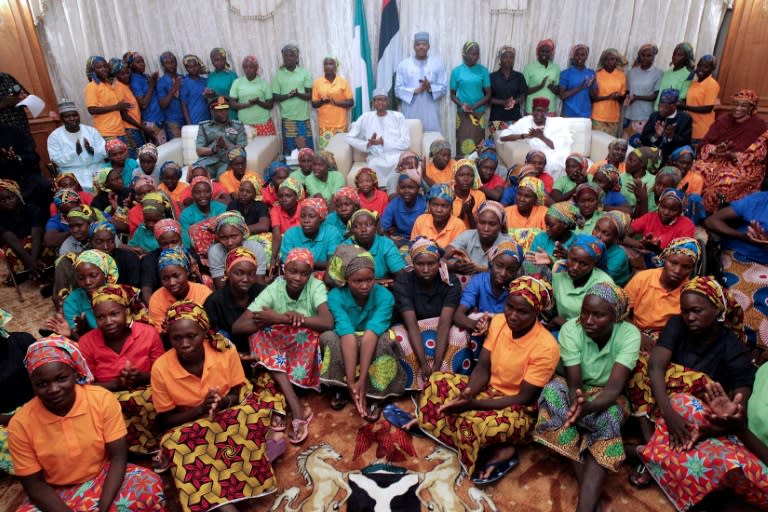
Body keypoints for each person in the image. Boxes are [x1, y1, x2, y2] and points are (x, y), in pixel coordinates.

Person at [417, 276, 559, 484]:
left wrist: (473, 404)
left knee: (476, 423)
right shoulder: (500, 322)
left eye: (523, 312)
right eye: (510, 307)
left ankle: (502, 449)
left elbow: (524, 397)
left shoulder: (546, 347)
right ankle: (444, 426)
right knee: (437, 381)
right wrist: (468, 393)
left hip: (518, 408)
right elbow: (483, 367)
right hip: (488, 390)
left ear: (537, 313)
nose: (513, 315)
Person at [151, 301, 284, 512]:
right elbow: (165, 419)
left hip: (226, 412)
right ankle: (223, 503)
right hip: (190, 422)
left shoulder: (224, 349)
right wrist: (199, 410)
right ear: (168, 337)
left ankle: (233, 489)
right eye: (177, 338)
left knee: (249, 415)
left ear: (204, 332)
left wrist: (222, 403)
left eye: (191, 336)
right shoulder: (161, 368)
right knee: (176, 443)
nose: (184, 343)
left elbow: (235, 392)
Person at [7, 336, 166, 511]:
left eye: (61, 379)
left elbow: (118, 457)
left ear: (75, 373)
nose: (53, 389)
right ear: (32, 384)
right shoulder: (20, 424)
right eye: (42, 384)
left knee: (148, 487)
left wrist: (103, 507)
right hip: (55, 492)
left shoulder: (101, 399)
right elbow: (35, 485)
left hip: (104, 477)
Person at [535, 283, 640, 512]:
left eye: (599, 315)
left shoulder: (629, 334)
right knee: (552, 390)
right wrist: (578, 405)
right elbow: (574, 384)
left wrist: (586, 408)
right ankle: (590, 498)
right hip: (577, 390)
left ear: (616, 316)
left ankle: (585, 505)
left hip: (607, 395)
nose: (589, 320)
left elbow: (613, 390)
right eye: (585, 312)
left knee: (610, 416)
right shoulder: (571, 330)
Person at [626, 276, 754, 464]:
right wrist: (669, 413)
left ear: (716, 309)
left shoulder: (732, 346)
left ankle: (651, 454)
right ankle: (650, 442)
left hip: (696, 409)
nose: (690, 317)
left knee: (702, 383)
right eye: (685, 312)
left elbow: (739, 405)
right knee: (640, 361)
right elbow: (655, 366)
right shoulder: (677, 324)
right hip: (661, 397)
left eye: (697, 311)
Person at [235, 247, 333, 443]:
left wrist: (282, 319)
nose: (297, 278)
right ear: (283, 270)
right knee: (257, 335)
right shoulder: (275, 288)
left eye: (304, 273)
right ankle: (295, 406)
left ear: (310, 274)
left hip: (302, 351)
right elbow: (238, 326)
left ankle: (285, 405)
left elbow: (327, 323)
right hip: (279, 350)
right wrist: (276, 320)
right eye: (292, 271)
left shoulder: (315, 286)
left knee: (313, 334)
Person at [638, 376, 768, 509]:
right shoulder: (765, 369)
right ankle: (654, 457)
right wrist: (721, 424)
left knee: (723, 461)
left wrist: (738, 428)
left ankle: (644, 455)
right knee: (683, 401)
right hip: (744, 438)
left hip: (757, 456)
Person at [320, 245, 406, 418]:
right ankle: (342, 387)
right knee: (328, 337)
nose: (365, 285)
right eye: (357, 281)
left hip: (372, 337)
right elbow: (346, 333)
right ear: (346, 280)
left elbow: (371, 334)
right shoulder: (336, 296)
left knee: (385, 342)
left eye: (369, 279)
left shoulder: (385, 296)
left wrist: (363, 379)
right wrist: (352, 382)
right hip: (348, 338)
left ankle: (375, 394)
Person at [77, 284, 163, 454]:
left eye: (114, 314)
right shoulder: (86, 342)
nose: (108, 322)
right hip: (108, 395)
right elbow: (85, 386)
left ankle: (156, 445)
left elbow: (164, 371)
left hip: (147, 389)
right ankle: (124, 452)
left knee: (153, 398)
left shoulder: (148, 333)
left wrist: (142, 377)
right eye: (101, 317)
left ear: (126, 312)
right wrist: (116, 384)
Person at [392, 237, 469, 390]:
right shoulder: (403, 282)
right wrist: (423, 363)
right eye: (420, 264)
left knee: (460, 335)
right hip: (412, 327)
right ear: (413, 264)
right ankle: (415, 385)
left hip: (440, 326)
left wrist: (438, 364)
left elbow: (445, 324)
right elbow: (411, 324)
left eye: (431, 264)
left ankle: (445, 379)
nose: (426, 269)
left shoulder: (450, 282)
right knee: (398, 338)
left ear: (439, 263)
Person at [704, 190, 768, 348]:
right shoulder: (760, 200)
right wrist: (742, 237)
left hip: (764, 266)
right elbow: (712, 221)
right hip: (738, 255)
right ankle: (741, 344)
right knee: (739, 300)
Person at [695, 89, 768, 212]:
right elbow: (704, 144)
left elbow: (759, 152)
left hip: (744, 164)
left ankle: (718, 212)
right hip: (717, 158)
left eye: (743, 105)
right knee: (698, 171)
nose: (737, 108)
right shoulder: (723, 120)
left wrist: (734, 156)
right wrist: (715, 149)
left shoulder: (758, 125)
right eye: (735, 104)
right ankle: (694, 208)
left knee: (725, 180)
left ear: (751, 108)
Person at [452, 240, 524, 360]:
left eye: (510, 270)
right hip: (478, 334)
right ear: (491, 263)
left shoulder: (517, 290)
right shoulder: (478, 281)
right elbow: (458, 315)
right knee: (459, 332)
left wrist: (492, 326)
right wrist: (476, 325)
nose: (503, 273)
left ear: (516, 272)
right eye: (499, 266)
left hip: (504, 335)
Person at [624, 237, 700, 346]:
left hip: (668, 340)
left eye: (686, 267)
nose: (677, 270)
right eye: (673, 263)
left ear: (691, 269)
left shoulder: (689, 292)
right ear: (664, 259)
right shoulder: (643, 278)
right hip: (635, 331)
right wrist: (638, 335)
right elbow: (622, 311)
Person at [204, 247, 265, 354]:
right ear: (228, 273)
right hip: (227, 355)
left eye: (251, 274)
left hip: (262, 352)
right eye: (239, 273)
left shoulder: (263, 293)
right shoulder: (214, 301)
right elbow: (207, 335)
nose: (245, 279)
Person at [345, 89, 411, 186]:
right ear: (373, 102)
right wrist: (367, 144)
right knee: (373, 166)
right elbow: (349, 138)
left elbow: (406, 142)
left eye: (384, 100)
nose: (381, 102)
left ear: (387, 102)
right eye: (378, 99)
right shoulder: (365, 117)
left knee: (401, 166)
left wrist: (383, 142)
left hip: (396, 156)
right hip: (376, 157)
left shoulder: (398, 117)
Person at [498, 98, 573, 180]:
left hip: (554, 155)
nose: (538, 114)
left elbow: (556, 147)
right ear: (532, 110)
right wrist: (524, 136)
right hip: (536, 157)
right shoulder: (525, 122)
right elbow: (503, 137)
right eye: (536, 110)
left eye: (542, 111)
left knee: (556, 163)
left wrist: (541, 137)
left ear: (547, 111)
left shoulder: (555, 124)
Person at [551, 235, 614, 328]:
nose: (575, 267)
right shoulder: (559, 270)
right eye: (572, 260)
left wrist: (559, 321)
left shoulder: (604, 284)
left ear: (594, 264)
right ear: (567, 256)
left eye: (583, 264)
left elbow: (601, 325)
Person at [0, 308, 35, 475]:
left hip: (41, 406)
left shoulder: (22, 342)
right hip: (6, 422)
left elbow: (49, 376)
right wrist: (14, 418)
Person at [47, 100, 107, 192]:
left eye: (75, 115)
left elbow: (104, 152)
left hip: (96, 167)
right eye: (68, 116)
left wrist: (92, 151)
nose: (72, 118)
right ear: (62, 119)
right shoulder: (54, 136)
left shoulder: (91, 131)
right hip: (71, 172)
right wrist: (75, 152)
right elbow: (56, 160)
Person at [147, 247, 212, 330]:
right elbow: (160, 333)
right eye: (165, 278)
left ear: (187, 272)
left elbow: (211, 326)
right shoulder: (157, 299)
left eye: (176, 276)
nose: (172, 283)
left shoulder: (203, 293)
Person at [395, 32, 447, 133]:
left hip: (431, 111)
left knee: (432, 141)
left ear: (429, 46)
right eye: (418, 44)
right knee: (412, 138)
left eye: (424, 44)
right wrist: (415, 90)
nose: (421, 47)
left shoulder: (437, 64)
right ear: (414, 46)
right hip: (411, 110)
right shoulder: (404, 65)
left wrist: (430, 88)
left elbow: (444, 87)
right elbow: (398, 90)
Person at [0, 179, 51, 280]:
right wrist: (28, 259)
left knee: (46, 245)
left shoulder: (32, 209)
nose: (7, 202)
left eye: (10, 197)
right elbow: (10, 238)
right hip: (17, 247)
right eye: (2, 200)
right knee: (9, 251)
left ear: (18, 195)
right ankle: (29, 271)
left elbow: (37, 233)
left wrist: (33, 259)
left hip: (36, 243)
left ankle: (38, 269)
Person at [444, 200, 512, 274]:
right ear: (477, 222)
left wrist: (478, 269)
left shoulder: (507, 243)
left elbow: (510, 272)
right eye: (482, 223)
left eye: (492, 224)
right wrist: (454, 266)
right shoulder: (467, 236)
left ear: (500, 225)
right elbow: (440, 257)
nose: (486, 229)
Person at [450, 41, 491, 157]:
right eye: (472, 54)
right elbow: (452, 94)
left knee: (479, 143)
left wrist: (474, 106)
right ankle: (462, 167)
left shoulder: (483, 71)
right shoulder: (456, 71)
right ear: (464, 54)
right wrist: (462, 105)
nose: (475, 57)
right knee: (462, 141)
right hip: (462, 113)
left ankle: (478, 168)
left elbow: (488, 95)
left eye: (477, 54)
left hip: (479, 113)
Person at [272, 44, 314, 154]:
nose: (288, 58)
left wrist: (298, 94)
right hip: (288, 118)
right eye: (285, 55)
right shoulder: (278, 75)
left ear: (297, 57)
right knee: (291, 151)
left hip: (303, 118)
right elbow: (275, 97)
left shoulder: (304, 73)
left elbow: (310, 95)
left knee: (306, 149)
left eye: (291, 55)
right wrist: (288, 95)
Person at [342, 209, 405, 281]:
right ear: (352, 229)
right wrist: (376, 283)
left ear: (375, 227)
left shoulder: (386, 244)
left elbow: (402, 277)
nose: (363, 229)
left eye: (368, 225)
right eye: (357, 226)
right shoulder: (345, 247)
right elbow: (333, 281)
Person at [208, 211, 267, 288]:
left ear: (243, 233)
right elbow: (221, 287)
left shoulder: (255, 248)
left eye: (234, 236)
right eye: (224, 238)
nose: (230, 243)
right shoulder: (215, 252)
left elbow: (260, 284)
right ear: (218, 237)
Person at [279, 197, 342, 270]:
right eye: (302, 216)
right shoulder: (290, 234)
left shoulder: (332, 232)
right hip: (297, 276)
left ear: (321, 218)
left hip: (325, 276)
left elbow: (333, 265)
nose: (306, 220)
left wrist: (304, 262)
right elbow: (288, 263)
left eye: (311, 216)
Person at [194, 96, 247, 178]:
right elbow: (199, 150)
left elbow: (241, 149)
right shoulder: (204, 127)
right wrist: (214, 149)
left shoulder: (237, 126)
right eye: (219, 110)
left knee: (223, 180)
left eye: (226, 109)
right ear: (212, 111)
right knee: (198, 174)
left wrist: (226, 146)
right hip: (209, 160)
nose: (223, 112)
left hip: (228, 162)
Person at [84, 56, 129, 144]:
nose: (104, 69)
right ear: (92, 70)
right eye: (99, 67)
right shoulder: (92, 86)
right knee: (116, 157)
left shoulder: (108, 85)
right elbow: (92, 109)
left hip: (120, 131)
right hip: (107, 133)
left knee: (127, 157)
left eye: (105, 66)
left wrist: (121, 105)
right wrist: (116, 106)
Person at [640, 88, 692, 162]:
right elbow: (643, 139)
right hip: (653, 154)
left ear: (674, 106)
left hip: (673, 155)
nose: (661, 109)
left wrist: (671, 137)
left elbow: (686, 142)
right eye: (659, 106)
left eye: (665, 107)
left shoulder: (685, 118)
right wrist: (656, 136)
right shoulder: (654, 116)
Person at [312, 56, 353, 150]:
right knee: (326, 153)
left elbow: (351, 102)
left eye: (331, 64)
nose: (328, 66)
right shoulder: (317, 83)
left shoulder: (342, 82)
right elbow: (314, 104)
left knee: (340, 151)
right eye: (326, 64)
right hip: (324, 124)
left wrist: (336, 102)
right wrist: (322, 101)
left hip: (340, 123)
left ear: (336, 66)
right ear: (323, 67)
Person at [229, 55, 275, 135]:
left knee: (267, 147)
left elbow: (270, 105)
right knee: (248, 147)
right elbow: (232, 104)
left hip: (263, 123)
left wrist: (258, 102)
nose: (248, 70)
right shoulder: (237, 83)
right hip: (245, 125)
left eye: (251, 67)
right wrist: (248, 104)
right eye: (245, 67)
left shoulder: (264, 83)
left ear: (256, 68)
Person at [110, 58, 147, 158]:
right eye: (122, 74)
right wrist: (142, 127)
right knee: (137, 158)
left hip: (135, 128)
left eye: (127, 72)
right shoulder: (118, 87)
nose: (126, 75)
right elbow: (124, 115)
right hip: (130, 130)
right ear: (115, 75)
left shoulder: (125, 85)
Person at [624, 44, 663, 138]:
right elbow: (628, 91)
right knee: (625, 143)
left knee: (638, 146)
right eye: (643, 55)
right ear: (639, 56)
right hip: (629, 113)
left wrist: (637, 97)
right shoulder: (631, 72)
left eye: (649, 56)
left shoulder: (658, 73)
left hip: (645, 115)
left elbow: (655, 96)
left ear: (654, 57)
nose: (646, 58)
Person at [127, 52, 166, 145]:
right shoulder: (135, 80)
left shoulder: (146, 76)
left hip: (159, 118)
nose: (142, 64)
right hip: (151, 121)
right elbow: (143, 104)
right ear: (132, 65)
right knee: (159, 151)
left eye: (142, 61)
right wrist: (152, 85)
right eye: (138, 62)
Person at [411, 184, 466, 248]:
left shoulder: (458, 225)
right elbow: (413, 247)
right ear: (429, 205)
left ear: (451, 207)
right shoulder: (421, 220)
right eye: (434, 205)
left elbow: (458, 253)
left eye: (444, 206)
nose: (439, 210)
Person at [488, 46, 527, 134]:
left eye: (511, 57)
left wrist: (514, 101)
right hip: (496, 119)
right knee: (498, 145)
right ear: (500, 59)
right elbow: (488, 98)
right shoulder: (492, 77)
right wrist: (503, 102)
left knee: (514, 146)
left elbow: (523, 95)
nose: (508, 60)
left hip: (515, 119)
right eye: (505, 57)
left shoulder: (519, 76)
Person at [680, 54, 719, 142]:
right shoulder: (693, 83)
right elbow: (689, 100)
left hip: (702, 130)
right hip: (690, 127)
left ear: (712, 69)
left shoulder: (712, 85)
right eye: (699, 65)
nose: (701, 69)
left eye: (706, 67)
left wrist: (684, 107)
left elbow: (707, 108)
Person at [381, 170, 426, 242]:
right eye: (402, 187)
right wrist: (391, 241)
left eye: (411, 187)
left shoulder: (424, 204)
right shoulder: (393, 205)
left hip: (421, 239)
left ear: (418, 188)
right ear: (398, 188)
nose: (406, 191)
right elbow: (382, 229)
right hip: (399, 239)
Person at [590, 49, 627, 136]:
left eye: (612, 59)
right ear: (603, 61)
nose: (609, 61)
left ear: (616, 61)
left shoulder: (621, 75)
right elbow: (592, 97)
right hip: (598, 115)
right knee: (597, 142)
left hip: (613, 116)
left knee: (610, 144)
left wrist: (619, 97)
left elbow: (622, 96)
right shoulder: (597, 74)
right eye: (606, 59)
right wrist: (609, 96)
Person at [592, 211, 632, 286]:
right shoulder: (591, 243)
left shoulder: (619, 255)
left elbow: (601, 280)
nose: (597, 235)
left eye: (605, 233)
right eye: (596, 229)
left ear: (616, 239)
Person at [523, 39, 560, 115]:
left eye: (547, 51)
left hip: (550, 109)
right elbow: (524, 91)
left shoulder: (556, 68)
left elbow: (558, 91)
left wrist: (551, 86)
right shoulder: (529, 68)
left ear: (551, 53)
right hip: (532, 109)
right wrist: (540, 86)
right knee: (531, 127)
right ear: (537, 52)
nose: (544, 54)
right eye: (542, 51)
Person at [558, 44, 595, 119]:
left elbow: (594, 96)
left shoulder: (591, 73)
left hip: (585, 114)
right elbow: (562, 96)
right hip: (568, 113)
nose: (579, 57)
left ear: (586, 57)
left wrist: (590, 86)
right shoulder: (565, 73)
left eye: (582, 55)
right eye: (577, 54)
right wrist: (579, 88)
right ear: (573, 56)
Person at [654, 42, 694, 109]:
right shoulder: (666, 73)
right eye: (674, 54)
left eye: (679, 55)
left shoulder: (688, 75)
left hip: (669, 113)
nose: (675, 57)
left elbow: (682, 98)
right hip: (656, 110)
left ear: (686, 58)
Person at [156, 51, 184, 140]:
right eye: (167, 63)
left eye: (173, 62)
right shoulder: (161, 82)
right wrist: (174, 87)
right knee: (177, 148)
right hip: (173, 122)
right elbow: (163, 104)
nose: (171, 65)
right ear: (163, 65)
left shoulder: (182, 77)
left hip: (186, 119)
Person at [452, 159, 486, 228]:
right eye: (461, 175)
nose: (466, 179)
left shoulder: (479, 196)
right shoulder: (446, 193)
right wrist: (462, 214)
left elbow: (481, 227)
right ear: (455, 177)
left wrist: (469, 214)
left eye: (470, 175)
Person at [205, 48, 238, 118]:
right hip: (215, 117)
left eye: (223, 59)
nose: (220, 62)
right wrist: (207, 95)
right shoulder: (210, 76)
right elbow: (209, 100)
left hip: (230, 115)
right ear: (212, 61)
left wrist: (216, 95)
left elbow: (236, 100)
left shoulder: (232, 75)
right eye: (216, 60)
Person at [179, 55, 210, 126]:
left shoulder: (204, 81)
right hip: (193, 121)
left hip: (207, 119)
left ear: (199, 66)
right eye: (190, 67)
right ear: (186, 68)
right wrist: (189, 123)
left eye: (195, 66)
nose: (193, 69)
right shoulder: (184, 83)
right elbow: (184, 105)